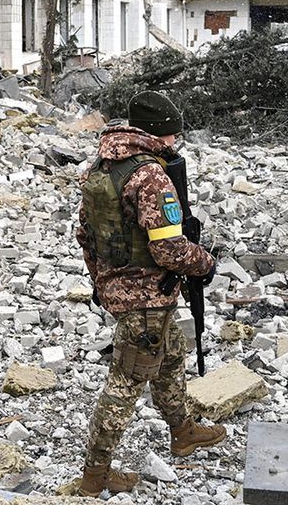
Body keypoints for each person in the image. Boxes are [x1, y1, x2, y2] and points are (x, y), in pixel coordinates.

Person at [68, 91, 226, 497]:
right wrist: (205, 263)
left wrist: (102, 283)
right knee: (124, 383)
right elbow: (168, 249)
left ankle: (183, 431)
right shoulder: (151, 177)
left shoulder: (100, 168)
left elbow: (86, 235)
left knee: (172, 355)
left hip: (124, 291)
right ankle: (94, 475)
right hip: (147, 299)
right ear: (159, 134)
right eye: (173, 136)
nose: (175, 144)